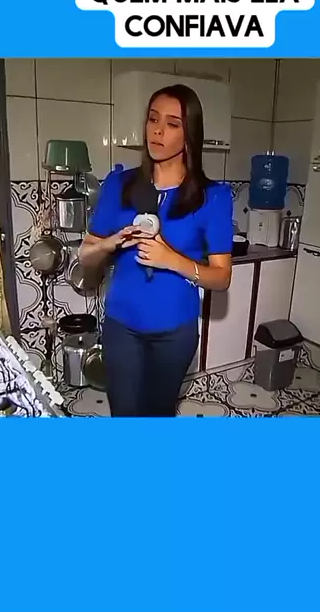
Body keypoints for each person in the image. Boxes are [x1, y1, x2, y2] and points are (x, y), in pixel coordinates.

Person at [79, 84, 234, 417]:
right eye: (153, 119)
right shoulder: (118, 185)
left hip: (174, 334)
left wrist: (172, 260)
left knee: (158, 415)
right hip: (121, 327)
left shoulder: (214, 197)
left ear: (189, 135)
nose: (158, 130)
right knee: (125, 416)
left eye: (172, 123)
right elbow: (84, 257)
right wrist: (109, 243)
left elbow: (221, 278)